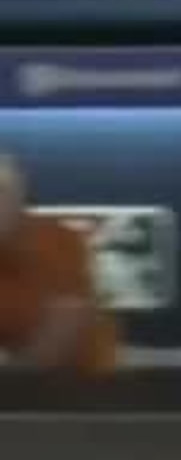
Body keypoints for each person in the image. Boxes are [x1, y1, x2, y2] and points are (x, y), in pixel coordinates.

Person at [0, 157, 120, 383]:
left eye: (1, 193)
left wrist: (11, 382)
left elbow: (60, 334)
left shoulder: (58, 242)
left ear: (18, 196)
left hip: (84, 393)